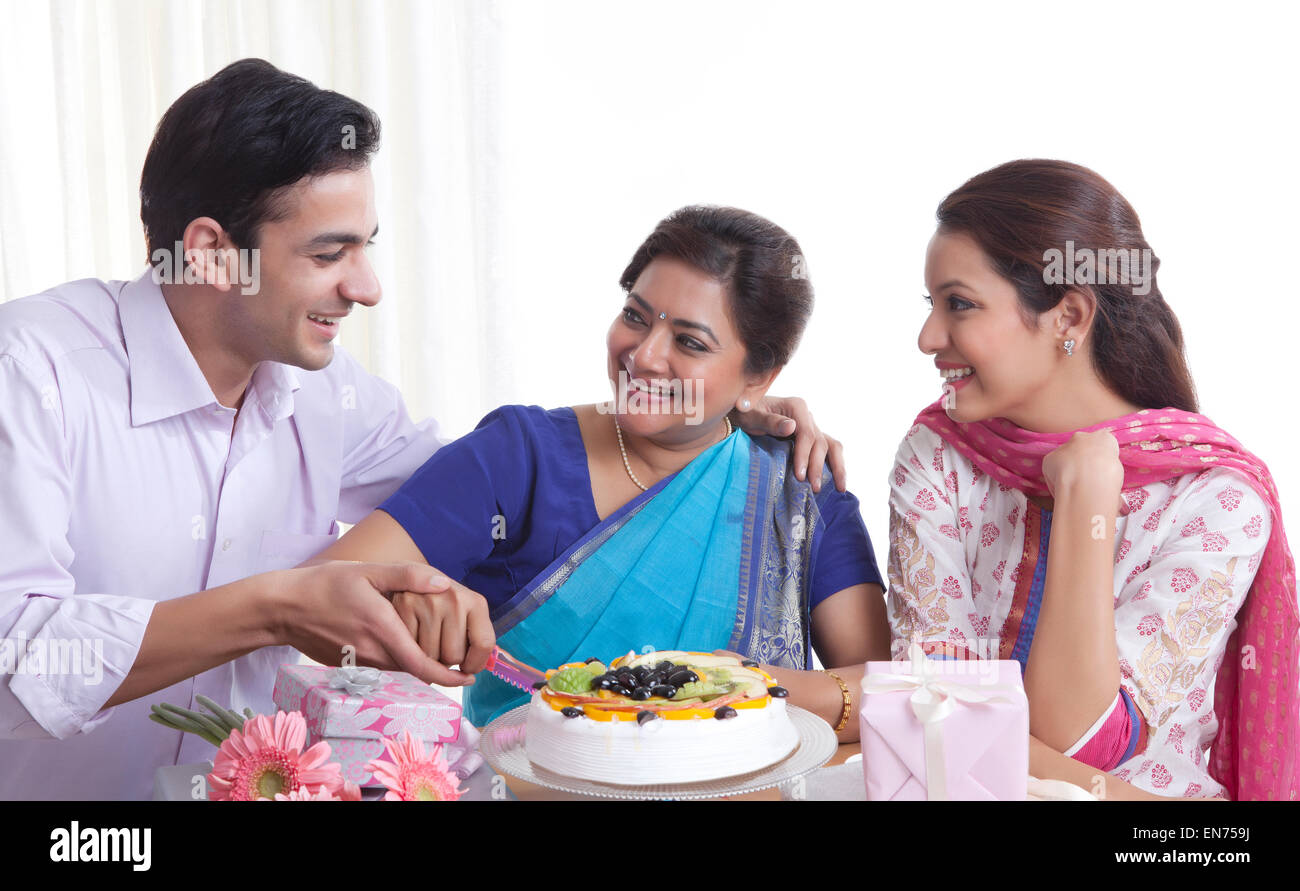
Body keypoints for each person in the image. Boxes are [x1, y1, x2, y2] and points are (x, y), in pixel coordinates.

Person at [0, 60, 847, 799]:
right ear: (214, 252)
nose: (366, 287)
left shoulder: (326, 398)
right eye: (330, 255)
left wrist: (717, 413)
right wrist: (271, 607)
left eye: (367, 247)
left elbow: (503, 495)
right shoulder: (33, 372)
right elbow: (16, 661)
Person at [309, 205, 891, 725]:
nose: (643, 355)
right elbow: (316, 598)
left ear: (759, 378)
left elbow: (887, 693)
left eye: (690, 343)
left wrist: (743, 691)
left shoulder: (798, 492)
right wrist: (415, 597)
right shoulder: (519, 456)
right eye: (637, 316)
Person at [882, 160, 1297, 800]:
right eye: (932, 305)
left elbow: (1087, 738)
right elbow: (931, 702)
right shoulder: (940, 456)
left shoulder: (1217, 502)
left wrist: (1085, 504)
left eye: (959, 304)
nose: (928, 337)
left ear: (1069, 317)